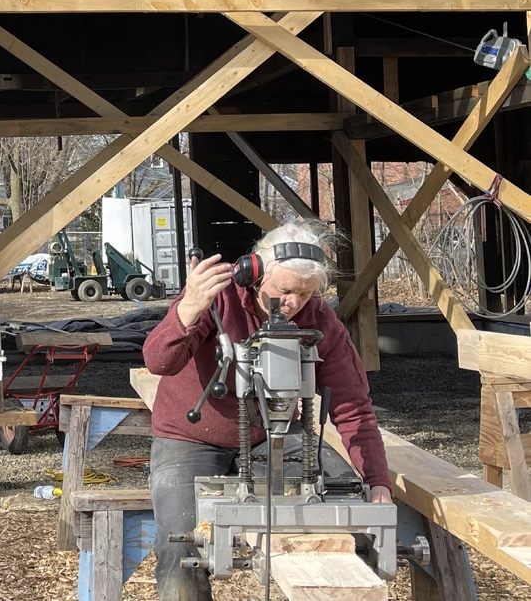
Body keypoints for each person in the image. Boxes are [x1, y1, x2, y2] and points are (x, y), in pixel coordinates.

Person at [143, 220, 392, 601]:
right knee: (180, 543)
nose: (292, 304)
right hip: (189, 439)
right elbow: (159, 361)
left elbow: (353, 407)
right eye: (285, 290)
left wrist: (378, 483)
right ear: (255, 273)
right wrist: (189, 308)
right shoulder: (218, 298)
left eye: (305, 294)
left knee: (347, 507)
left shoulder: (320, 321)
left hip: (271, 437)